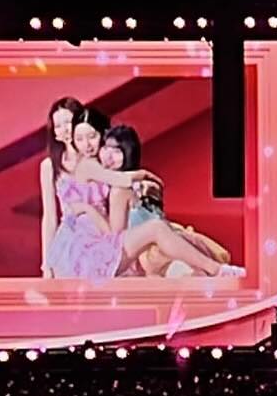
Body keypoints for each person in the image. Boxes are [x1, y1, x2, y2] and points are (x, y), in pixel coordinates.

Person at [45, 108, 242, 281]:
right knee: (157, 231)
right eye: (80, 139)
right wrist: (144, 176)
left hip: (100, 246)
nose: (87, 145)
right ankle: (217, 270)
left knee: (161, 234)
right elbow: (120, 185)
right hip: (90, 254)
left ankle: (214, 270)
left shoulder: (99, 166)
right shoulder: (89, 165)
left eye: (92, 137)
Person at [98, 125, 231, 277]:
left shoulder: (129, 188)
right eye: (106, 149)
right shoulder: (104, 186)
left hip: (151, 251)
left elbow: (118, 237)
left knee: (187, 273)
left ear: (129, 153)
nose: (109, 156)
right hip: (147, 250)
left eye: (117, 151)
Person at [39, 97, 84, 276]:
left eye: (68, 122)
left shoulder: (97, 157)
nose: (64, 129)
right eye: (58, 126)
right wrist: (46, 264)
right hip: (69, 240)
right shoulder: (49, 166)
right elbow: (50, 217)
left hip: (101, 233)